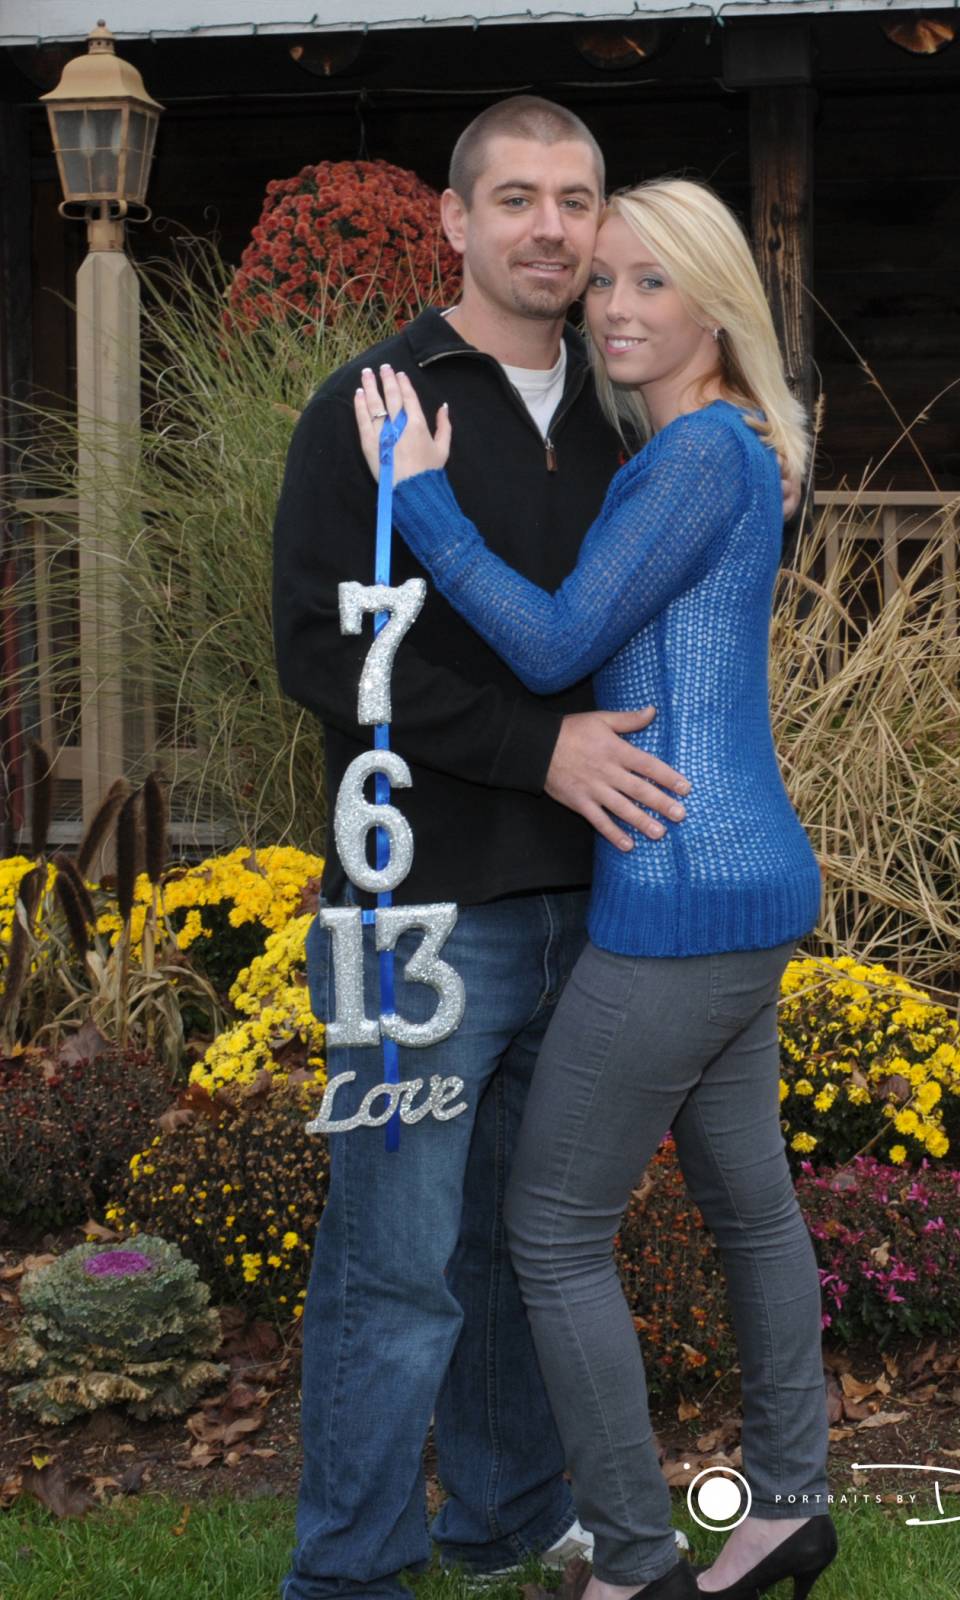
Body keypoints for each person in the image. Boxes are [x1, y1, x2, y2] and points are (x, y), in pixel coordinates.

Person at [352, 177, 837, 1600]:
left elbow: (558, 645)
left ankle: (632, 1561)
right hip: (744, 889)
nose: (614, 308)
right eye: (606, 280)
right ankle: (789, 1507)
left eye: (651, 283)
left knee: (553, 1231)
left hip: (678, 902)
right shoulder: (728, 448)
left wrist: (422, 501)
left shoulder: (697, 457)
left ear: (716, 306)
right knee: (752, 1212)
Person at [272, 98, 704, 1600]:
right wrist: (540, 750)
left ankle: (510, 1519)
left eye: (575, 199)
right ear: (454, 220)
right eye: (515, 197)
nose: (550, 227)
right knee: (394, 1268)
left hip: (599, 902)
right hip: (419, 911)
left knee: (529, 1248)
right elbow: (323, 652)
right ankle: (350, 1570)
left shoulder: (626, 405)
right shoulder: (373, 402)